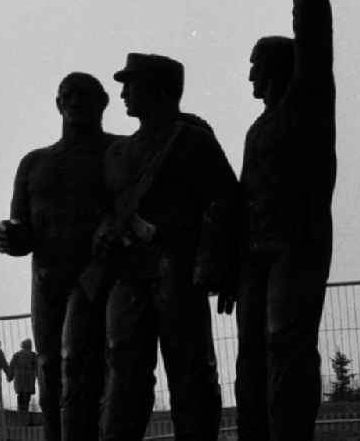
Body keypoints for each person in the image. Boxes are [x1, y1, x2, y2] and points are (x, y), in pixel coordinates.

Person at [96, 53, 239, 441]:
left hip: (177, 271)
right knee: (124, 373)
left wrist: (214, 265)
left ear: (160, 90)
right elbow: (106, 211)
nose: (122, 93)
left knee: (190, 372)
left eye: (131, 83)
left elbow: (225, 202)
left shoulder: (193, 143)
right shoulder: (117, 154)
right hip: (128, 276)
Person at [234, 0, 337, 440]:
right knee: (251, 360)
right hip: (256, 256)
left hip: (297, 248)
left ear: (277, 67)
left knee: (285, 348)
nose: (248, 73)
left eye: (255, 63)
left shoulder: (307, 102)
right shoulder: (258, 129)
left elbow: (313, 30)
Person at [0, 72, 121, 441]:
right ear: (58, 104)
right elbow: (23, 231)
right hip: (49, 282)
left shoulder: (119, 153)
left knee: (103, 366)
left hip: (104, 281)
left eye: (84, 96)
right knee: (50, 367)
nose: (75, 102)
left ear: (102, 104)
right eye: (68, 96)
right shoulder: (34, 164)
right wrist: (9, 235)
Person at [7, 338, 38, 412]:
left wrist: (9, 377)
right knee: (27, 397)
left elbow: (11, 367)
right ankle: (25, 412)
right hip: (29, 380)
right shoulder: (33, 355)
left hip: (19, 380)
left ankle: (20, 412)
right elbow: (37, 368)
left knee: (20, 396)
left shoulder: (16, 355)